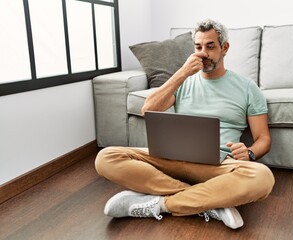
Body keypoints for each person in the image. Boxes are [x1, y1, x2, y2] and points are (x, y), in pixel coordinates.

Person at [95, 19, 275, 229]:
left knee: (262, 177)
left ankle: (161, 204)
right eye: (198, 47)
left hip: (218, 164)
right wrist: (181, 73)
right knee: (106, 157)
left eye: (210, 46)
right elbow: (148, 110)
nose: (203, 53)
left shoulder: (247, 88)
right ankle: (209, 201)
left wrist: (250, 153)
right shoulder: (184, 81)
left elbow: (263, 139)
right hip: (172, 159)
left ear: (224, 48)